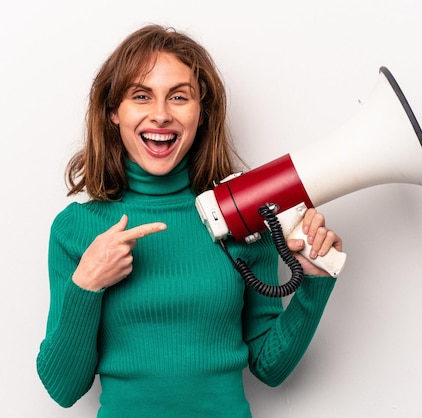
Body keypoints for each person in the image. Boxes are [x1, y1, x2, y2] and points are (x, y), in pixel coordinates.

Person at [36, 24, 343, 418]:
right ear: (113, 111)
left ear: (202, 113)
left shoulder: (242, 217)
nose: (160, 115)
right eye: (141, 96)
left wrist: (314, 282)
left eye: (179, 97)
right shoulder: (75, 229)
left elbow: (270, 367)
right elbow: (63, 388)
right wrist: (87, 282)